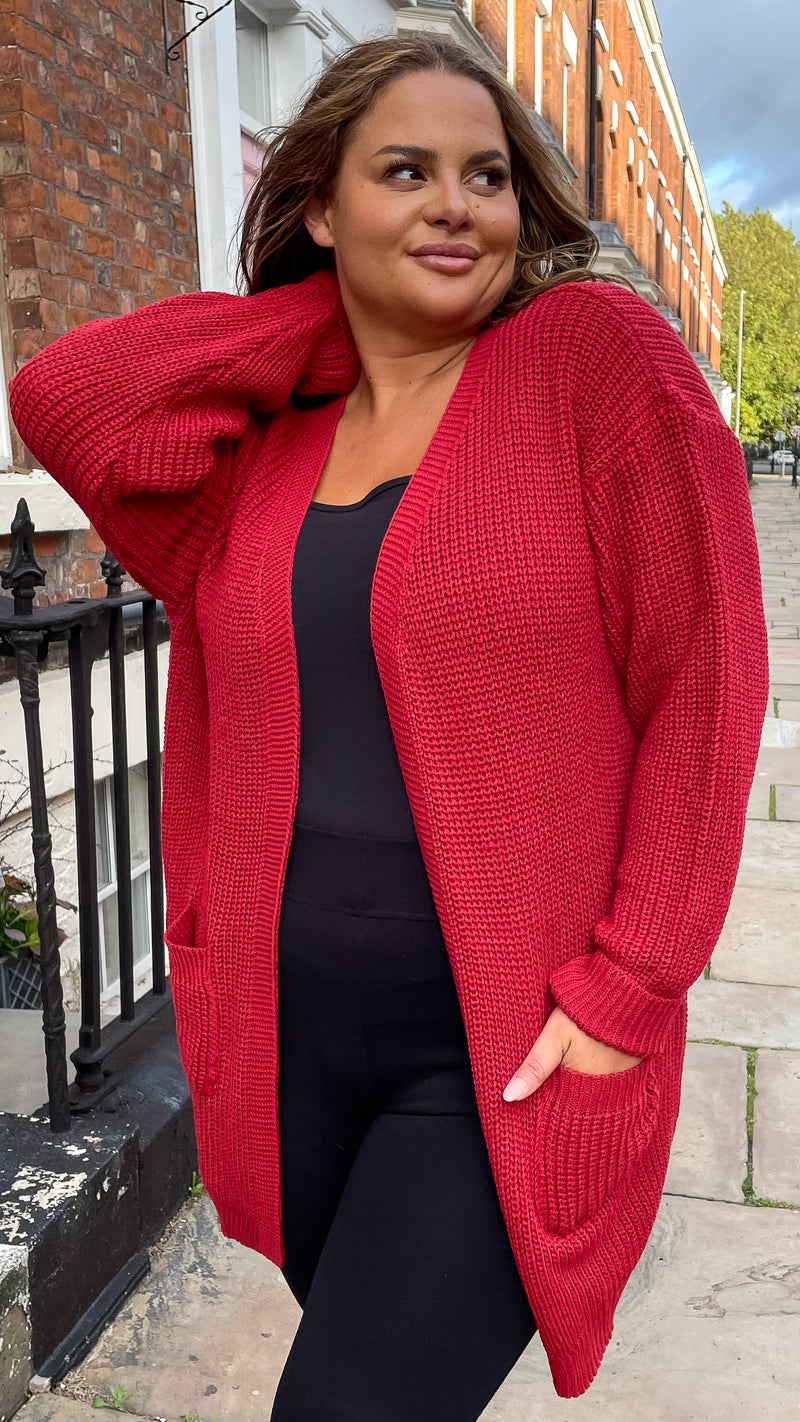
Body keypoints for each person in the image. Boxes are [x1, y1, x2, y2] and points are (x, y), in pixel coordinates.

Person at [9, 34, 769, 1419]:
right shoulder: (270, 443)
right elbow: (72, 400)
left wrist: (629, 989)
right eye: (404, 172)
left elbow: (707, 685)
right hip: (289, 1034)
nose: (455, 206)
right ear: (320, 203)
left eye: (487, 176)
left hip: (498, 1046)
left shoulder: (594, 365)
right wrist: (335, 319)